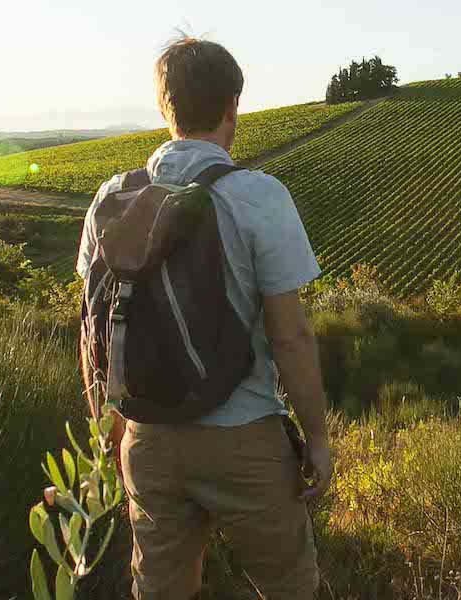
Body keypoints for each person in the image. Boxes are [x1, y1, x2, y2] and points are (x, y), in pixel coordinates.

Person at [74, 34, 333, 599]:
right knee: (289, 585)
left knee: (161, 591)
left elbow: (93, 328)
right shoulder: (258, 196)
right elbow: (291, 336)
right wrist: (315, 437)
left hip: (147, 437)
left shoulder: (111, 198)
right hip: (243, 436)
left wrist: (109, 431)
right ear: (232, 105)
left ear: (164, 107)